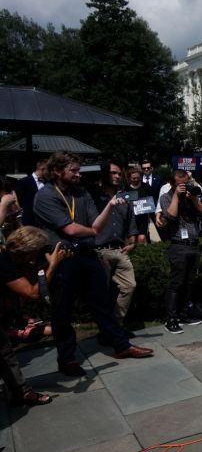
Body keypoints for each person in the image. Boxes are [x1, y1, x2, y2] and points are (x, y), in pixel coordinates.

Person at [32, 152, 154, 375]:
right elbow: (70, 228)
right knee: (63, 311)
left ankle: (121, 346)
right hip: (63, 258)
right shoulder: (46, 196)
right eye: (74, 171)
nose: (78, 174)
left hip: (87, 255)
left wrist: (108, 207)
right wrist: (92, 231)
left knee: (102, 304)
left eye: (79, 170)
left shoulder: (81, 193)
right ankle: (67, 359)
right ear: (58, 171)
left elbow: (94, 221)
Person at [0, 226, 67, 406]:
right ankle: (20, 393)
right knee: (4, 354)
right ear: (27, 252)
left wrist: (43, 265)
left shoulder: (12, 261)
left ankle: (17, 391)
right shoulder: (4, 264)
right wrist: (52, 265)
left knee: (5, 354)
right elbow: (34, 293)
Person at [158, 169, 202, 334]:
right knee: (176, 283)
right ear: (173, 184)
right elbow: (171, 216)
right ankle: (170, 319)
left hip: (194, 244)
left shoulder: (190, 195)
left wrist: (193, 198)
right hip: (178, 245)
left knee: (188, 282)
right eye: (181, 183)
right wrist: (176, 196)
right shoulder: (166, 196)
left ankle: (183, 314)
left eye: (186, 182)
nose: (184, 186)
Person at [94, 162, 140, 331]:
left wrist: (133, 242)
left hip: (119, 250)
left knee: (129, 285)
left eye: (119, 174)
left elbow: (131, 223)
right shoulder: (93, 197)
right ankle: (106, 328)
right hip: (99, 250)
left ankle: (116, 324)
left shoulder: (125, 197)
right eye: (113, 173)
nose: (117, 176)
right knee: (102, 293)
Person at [123, 167, 152, 243]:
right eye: (133, 178)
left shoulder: (146, 186)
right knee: (132, 239)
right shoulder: (126, 188)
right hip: (131, 217)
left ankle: (141, 253)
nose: (136, 180)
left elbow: (151, 200)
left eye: (138, 178)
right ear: (129, 178)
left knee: (141, 238)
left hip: (143, 217)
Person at [13, 159, 45, 226]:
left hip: (42, 220)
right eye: (49, 170)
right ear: (42, 168)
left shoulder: (47, 183)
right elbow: (16, 200)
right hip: (27, 220)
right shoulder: (24, 181)